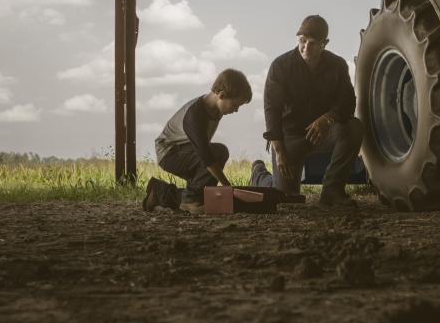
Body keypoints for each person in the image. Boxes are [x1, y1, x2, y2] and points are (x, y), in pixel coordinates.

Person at [251, 15, 363, 208]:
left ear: (324, 43)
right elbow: (272, 110)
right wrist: (279, 151)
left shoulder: (338, 65)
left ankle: (332, 191)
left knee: (354, 127)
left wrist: (328, 118)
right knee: (284, 196)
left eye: (312, 43)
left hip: (324, 133)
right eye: (302, 41)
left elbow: (347, 103)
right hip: (290, 138)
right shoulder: (280, 66)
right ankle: (259, 173)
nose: (305, 48)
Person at [142, 69, 252, 214]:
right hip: (170, 154)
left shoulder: (216, 109)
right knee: (219, 152)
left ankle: (158, 191)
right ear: (221, 95)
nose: (236, 110)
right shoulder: (195, 115)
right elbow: (207, 158)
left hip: (187, 151)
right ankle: (190, 202)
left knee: (199, 189)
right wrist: (228, 187)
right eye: (235, 105)